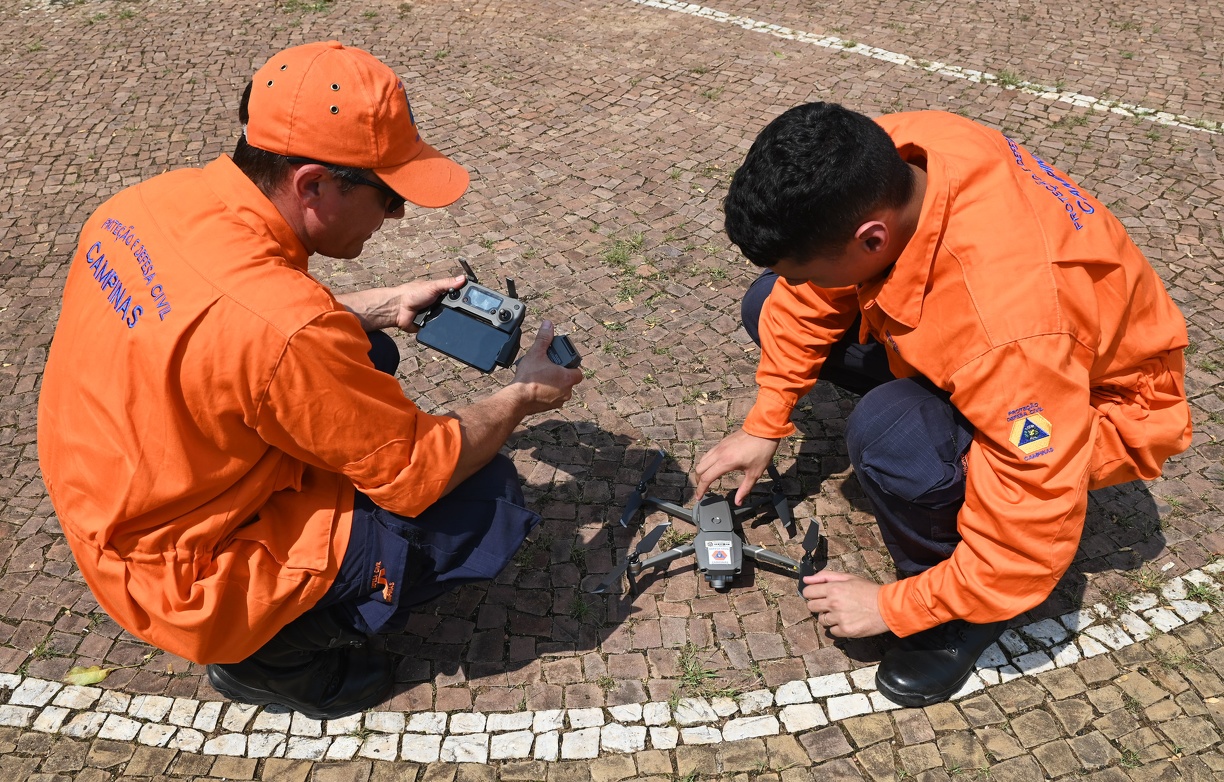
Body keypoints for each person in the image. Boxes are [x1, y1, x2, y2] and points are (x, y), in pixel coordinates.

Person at [37, 41, 583, 720]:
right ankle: (270, 659)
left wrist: (382, 304)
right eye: (388, 197)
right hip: (178, 575)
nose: (397, 217)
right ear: (313, 184)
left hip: (108, 500)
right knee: (485, 502)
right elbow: (417, 469)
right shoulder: (285, 329)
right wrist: (526, 395)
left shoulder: (151, 203)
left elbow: (220, 326)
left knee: (367, 351)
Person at [693, 103, 1192, 707]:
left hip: (1081, 402)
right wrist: (767, 419)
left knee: (890, 433)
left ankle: (964, 613)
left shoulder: (1009, 337)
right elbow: (808, 300)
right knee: (767, 304)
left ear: (873, 237)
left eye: (805, 273)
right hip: (1000, 350)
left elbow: (1032, 508)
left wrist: (895, 606)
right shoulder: (909, 147)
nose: (799, 285)